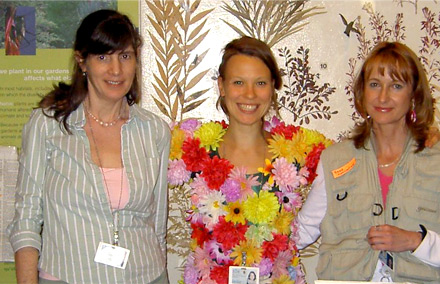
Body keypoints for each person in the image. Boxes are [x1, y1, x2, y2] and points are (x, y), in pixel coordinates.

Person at [295, 42, 440, 283]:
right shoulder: (334, 160)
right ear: (362, 92)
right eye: (375, 85)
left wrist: (415, 241)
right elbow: (300, 232)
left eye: (396, 85)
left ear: (414, 94)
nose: (383, 97)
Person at [7, 10, 170, 284]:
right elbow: (26, 220)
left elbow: (158, 225)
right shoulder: (48, 125)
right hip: (69, 276)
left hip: (146, 275)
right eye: (103, 56)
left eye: (125, 56)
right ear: (83, 61)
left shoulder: (154, 130)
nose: (116, 70)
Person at [167, 36, 332, 284]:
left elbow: (354, 162)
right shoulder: (192, 147)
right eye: (238, 82)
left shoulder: (296, 149)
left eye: (261, 83)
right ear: (221, 86)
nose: (250, 94)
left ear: (273, 86)